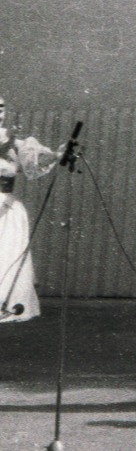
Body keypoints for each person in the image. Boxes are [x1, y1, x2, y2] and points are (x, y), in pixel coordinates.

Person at [0, 96, 60, 324]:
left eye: (1, 108)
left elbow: (36, 161)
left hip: (5, 208)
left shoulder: (14, 142)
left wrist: (56, 155)